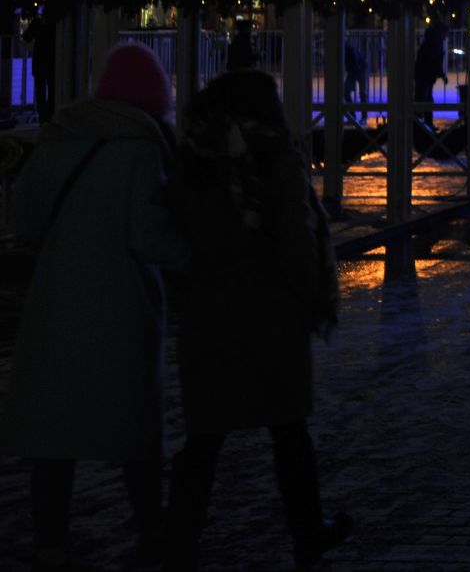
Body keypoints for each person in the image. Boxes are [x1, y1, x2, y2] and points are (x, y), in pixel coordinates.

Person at [1, 43, 190, 571]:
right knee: (134, 432)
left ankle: (49, 541)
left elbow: (27, 222)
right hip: (122, 308)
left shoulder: (56, 140)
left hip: (56, 305)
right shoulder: (143, 149)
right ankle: (150, 532)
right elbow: (150, 237)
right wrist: (199, 256)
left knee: (54, 436)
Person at [164, 70, 350, 571]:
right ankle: (307, 533)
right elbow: (294, 236)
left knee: (203, 440)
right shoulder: (275, 158)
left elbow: (177, 232)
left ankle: (179, 542)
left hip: (210, 314)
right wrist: (309, 294)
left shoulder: (195, 158)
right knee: (289, 435)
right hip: (270, 316)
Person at [25, 7, 57, 122]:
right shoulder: (55, 24)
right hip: (51, 61)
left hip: (40, 61)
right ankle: (49, 114)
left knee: (40, 90)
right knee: (52, 89)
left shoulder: (38, 23)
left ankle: (43, 116)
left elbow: (27, 37)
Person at [412, 21, 448, 106]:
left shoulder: (430, 41)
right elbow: (435, 61)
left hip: (423, 73)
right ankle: (422, 116)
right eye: (445, 34)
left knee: (423, 97)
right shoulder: (435, 44)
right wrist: (442, 75)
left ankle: (421, 116)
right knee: (424, 99)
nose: (445, 37)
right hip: (426, 74)